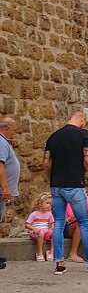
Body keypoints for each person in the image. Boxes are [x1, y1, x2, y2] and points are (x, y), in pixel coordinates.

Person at [44, 110, 88, 275]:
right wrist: (84, 171)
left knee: (59, 223)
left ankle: (59, 263)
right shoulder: (83, 135)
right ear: (82, 120)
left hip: (56, 186)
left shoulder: (53, 136)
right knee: (84, 223)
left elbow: (45, 163)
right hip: (75, 185)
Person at [0, 116, 20, 270]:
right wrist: (5, 187)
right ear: (6, 128)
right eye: (13, 129)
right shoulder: (1, 141)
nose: (14, 133)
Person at [63, 191, 88, 262]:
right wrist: (69, 219)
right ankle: (73, 253)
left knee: (87, 224)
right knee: (81, 225)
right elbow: (60, 221)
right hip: (68, 226)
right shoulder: (66, 201)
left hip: (83, 224)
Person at [25, 193, 55, 261]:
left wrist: (52, 228)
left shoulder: (49, 214)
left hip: (45, 231)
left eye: (50, 204)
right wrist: (33, 228)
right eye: (47, 203)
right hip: (36, 232)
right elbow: (27, 224)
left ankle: (51, 252)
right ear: (40, 203)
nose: (48, 205)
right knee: (41, 233)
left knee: (54, 234)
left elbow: (52, 223)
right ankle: (39, 253)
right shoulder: (34, 214)